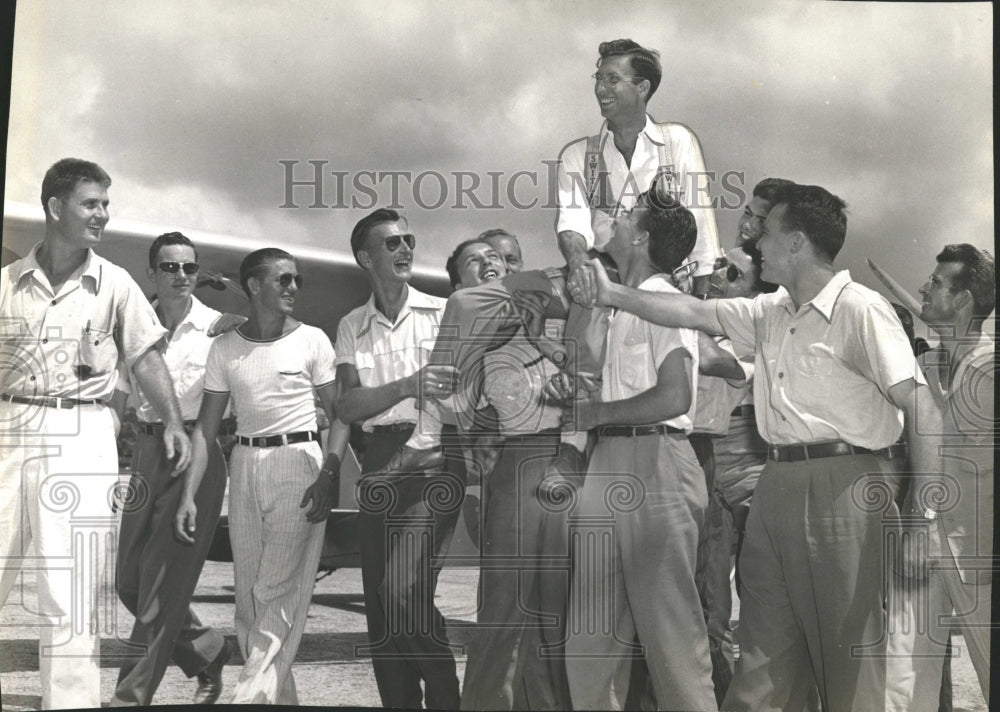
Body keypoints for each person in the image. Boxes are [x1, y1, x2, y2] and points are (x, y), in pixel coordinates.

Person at [587, 183, 943, 712]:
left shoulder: (861, 309)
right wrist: (612, 295)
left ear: (797, 242)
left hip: (845, 489)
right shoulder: (770, 311)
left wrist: (921, 518)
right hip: (773, 488)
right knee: (761, 667)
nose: (758, 246)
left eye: (769, 234)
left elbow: (924, 411)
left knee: (850, 665)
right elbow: (691, 313)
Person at [0, 158, 191, 709]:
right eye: (91, 203)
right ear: (55, 207)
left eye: (106, 203)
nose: (103, 214)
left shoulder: (116, 284)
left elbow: (147, 356)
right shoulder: (8, 284)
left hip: (83, 429)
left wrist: (174, 421)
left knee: (72, 586)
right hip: (10, 424)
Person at [560, 189, 716, 710]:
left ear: (643, 237)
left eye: (626, 216)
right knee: (590, 639)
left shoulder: (661, 304)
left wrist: (598, 413)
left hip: (659, 462)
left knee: (671, 637)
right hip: (608, 463)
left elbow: (676, 395)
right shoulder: (616, 304)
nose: (614, 220)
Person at [174, 247, 348, 704]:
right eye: (283, 280)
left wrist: (329, 472)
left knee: (275, 588)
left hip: (300, 465)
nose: (293, 288)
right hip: (245, 465)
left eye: (296, 280)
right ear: (254, 285)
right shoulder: (226, 347)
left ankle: (249, 698)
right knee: (251, 597)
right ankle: (279, 700)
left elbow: (340, 415)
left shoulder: (313, 340)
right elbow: (206, 429)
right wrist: (189, 494)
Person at [335, 208, 465, 710]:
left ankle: (447, 695)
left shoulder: (444, 311)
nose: (405, 248)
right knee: (380, 604)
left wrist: (384, 397)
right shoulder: (352, 325)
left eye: (408, 239)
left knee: (403, 590)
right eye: (391, 243)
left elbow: (460, 390)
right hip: (380, 459)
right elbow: (348, 406)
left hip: (434, 454)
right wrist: (408, 385)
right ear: (366, 257)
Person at [111, 232, 243, 706]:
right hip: (147, 455)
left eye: (189, 268)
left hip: (198, 454)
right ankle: (207, 648)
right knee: (129, 579)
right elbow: (118, 400)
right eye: (170, 267)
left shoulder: (220, 329)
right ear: (152, 273)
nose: (181, 276)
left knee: (159, 586)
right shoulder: (132, 327)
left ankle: (130, 696)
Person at [447, 239, 574, 711]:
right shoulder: (470, 324)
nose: (493, 264)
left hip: (570, 459)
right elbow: (457, 400)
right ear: (460, 283)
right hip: (517, 464)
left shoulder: (554, 313)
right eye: (475, 261)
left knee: (555, 613)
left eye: (502, 258)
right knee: (504, 612)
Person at [886, 244, 993, 711]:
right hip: (920, 546)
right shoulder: (922, 368)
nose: (923, 288)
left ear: (965, 299)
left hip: (982, 559)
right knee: (903, 679)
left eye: (935, 283)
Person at [557, 38, 721, 307]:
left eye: (613, 79)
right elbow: (572, 224)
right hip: (602, 285)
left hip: (666, 290)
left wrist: (702, 301)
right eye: (599, 78)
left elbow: (700, 223)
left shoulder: (677, 141)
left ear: (642, 87)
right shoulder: (577, 155)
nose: (600, 88)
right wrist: (579, 266)